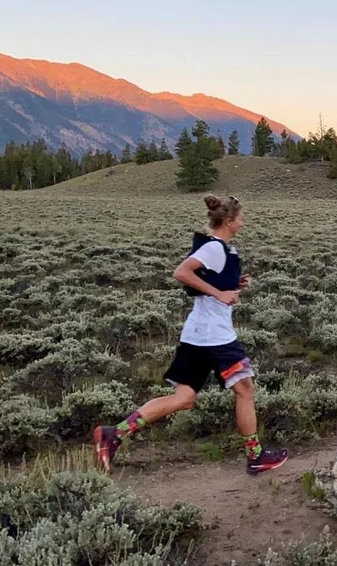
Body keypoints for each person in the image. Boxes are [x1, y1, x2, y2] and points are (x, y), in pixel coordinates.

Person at [94, 195, 288, 475]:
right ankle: (255, 456)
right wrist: (220, 292)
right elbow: (182, 272)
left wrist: (233, 284)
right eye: (240, 219)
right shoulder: (214, 248)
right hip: (215, 337)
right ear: (229, 221)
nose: (243, 223)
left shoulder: (219, 250)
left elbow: (206, 279)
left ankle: (114, 434)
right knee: (245, 391)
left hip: (197, 334)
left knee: (183, 398)